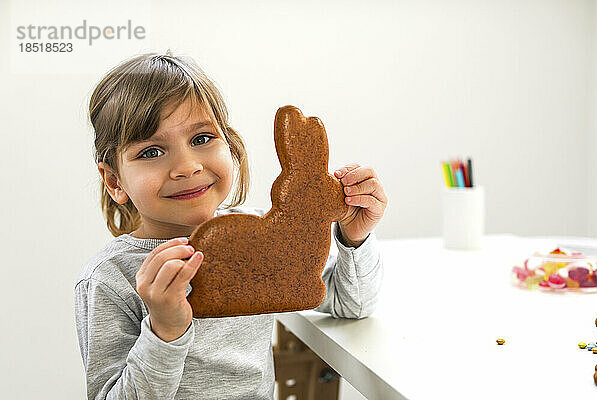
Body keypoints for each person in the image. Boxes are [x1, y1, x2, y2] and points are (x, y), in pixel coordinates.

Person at [74, 51, 388, 399]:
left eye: (201, 139)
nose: (187, 166)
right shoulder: (109, 279)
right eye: (151, 152)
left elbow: (350, 306)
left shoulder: (255, 236)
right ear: (115, 181)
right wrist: (164, 330)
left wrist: (354, 240)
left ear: (231, 145)